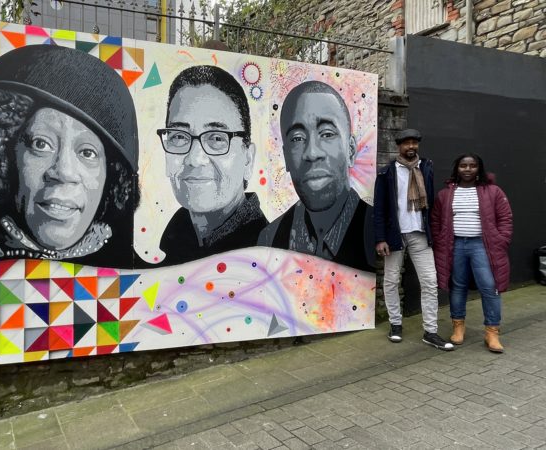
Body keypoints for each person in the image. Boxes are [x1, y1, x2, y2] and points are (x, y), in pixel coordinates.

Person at [0, 45, 140, 268]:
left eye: (87, 152)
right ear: (4, 156)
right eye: (41, 144)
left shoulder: (138, 281)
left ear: (112, 177)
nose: (64, 171)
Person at [258, 81, 374, 272]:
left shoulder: (373, 229)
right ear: (286, 157)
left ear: (351, 150)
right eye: (297, 138)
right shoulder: (270, 240)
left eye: (327, 134)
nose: (312, 153)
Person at [157, 65, 266, 266]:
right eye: (179, 136)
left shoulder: (267, 258)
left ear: (248, 159)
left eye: (217, 138)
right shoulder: (170, 246)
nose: (195, 158)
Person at [374, 129, 453, 350]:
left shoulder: (426, 167)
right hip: (395, 235)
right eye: (406, 143)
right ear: (398, 146)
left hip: (420, 234)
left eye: (414, 143)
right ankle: (395, 325)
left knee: (429, 282)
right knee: (391, 282)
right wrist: (380, 238)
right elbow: (379, 209)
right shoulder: (386, 173)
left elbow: (432, 204)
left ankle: (431, 331)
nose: (411, 147)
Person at [431, 154, 513, 353]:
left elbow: (505, 218)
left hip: (482, 246)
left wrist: (500, 241)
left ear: (479, 169)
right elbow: (435, 220)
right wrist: (440, 240)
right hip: (456, 245)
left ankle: (492, 332)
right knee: (458, 286)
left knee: (489, 286)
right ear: (457, 169)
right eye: (463, 166)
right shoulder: (446, 194)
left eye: (472, 166)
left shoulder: (493, 191)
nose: (467, 169)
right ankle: (458, 327)